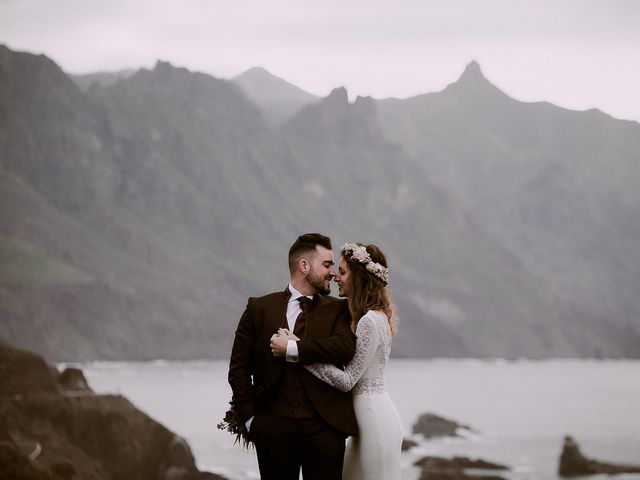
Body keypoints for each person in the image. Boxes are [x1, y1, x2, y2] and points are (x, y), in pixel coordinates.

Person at [227, 233, 358, 480]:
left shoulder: (338, 308)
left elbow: (345, 347)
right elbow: (239, 368)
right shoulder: (259, 308)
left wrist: (294, 349)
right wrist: (250, 421)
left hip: (325, 429)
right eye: (327, 265)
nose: (332, 273)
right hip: (271, 428)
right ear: (304, 266)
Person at [278, 242, 403, 480]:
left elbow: (347, 381)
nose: (336, 276)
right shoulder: (373, 316)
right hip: (366, 420)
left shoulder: (369, 321)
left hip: (373, 419)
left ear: (360, 278)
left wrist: (297, 352)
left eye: (343, 272)